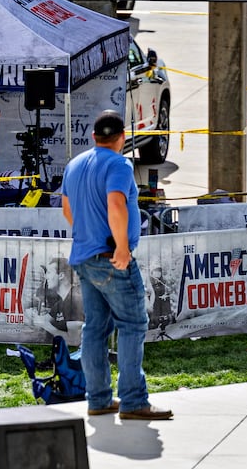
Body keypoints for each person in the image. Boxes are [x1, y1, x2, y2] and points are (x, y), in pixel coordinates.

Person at [60, 109, 172, 420]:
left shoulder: (75, 164)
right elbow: (116, 203)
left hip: (84, 255)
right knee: (132, 325)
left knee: (95, 329)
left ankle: (98, 399)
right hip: (111, 256)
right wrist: (121, 246)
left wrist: (88, 232)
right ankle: (133, 401)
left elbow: (67, 210)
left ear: (94, 137)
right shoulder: (120, 164)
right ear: (122, 138)